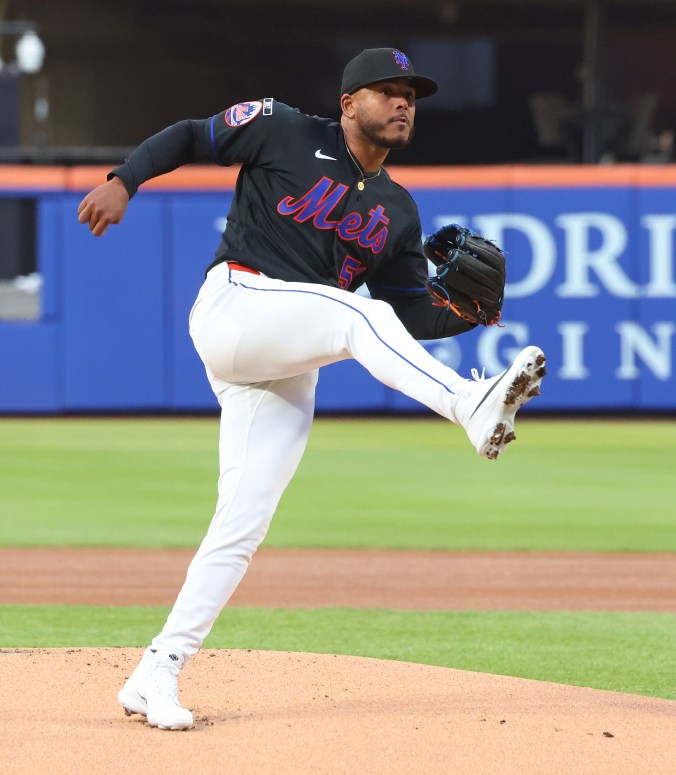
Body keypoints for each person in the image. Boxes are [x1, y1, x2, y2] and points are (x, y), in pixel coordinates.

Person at [76, 47, 546, 731]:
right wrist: (125, 179)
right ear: (349, 101)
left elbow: (409, 311)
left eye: (410, 94)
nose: (403, 102)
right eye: (387, 90)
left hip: (287, 356)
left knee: (242, 522)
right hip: (236, 304)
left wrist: (463, 316)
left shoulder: (397, 210)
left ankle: (157, 670)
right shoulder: (283, 127)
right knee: (357, 314)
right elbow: (188, 135)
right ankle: (467, 405)